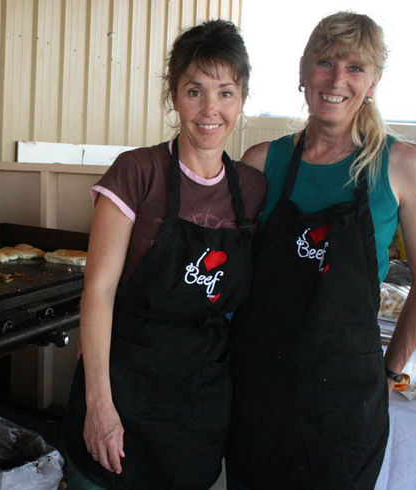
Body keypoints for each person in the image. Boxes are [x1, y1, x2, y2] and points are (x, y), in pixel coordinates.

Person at [227, 11, 416, 490]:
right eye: (325, 62)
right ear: (304, 71)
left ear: (374, 81)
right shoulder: (262, 162)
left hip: (347, 399)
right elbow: (232, 276)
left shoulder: (404, 165)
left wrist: (391, 370)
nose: (337, 79)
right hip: (260, 388)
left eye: (355, 68)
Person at [62, 19, 266, 490]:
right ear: (173, 95)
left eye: (226, 92)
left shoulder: (251, 190)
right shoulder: (138, 172)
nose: (210, 109)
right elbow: (99, 291)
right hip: (123, 391)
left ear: (242, 98)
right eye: (195, 91)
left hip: (199, 404)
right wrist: (99, 407)